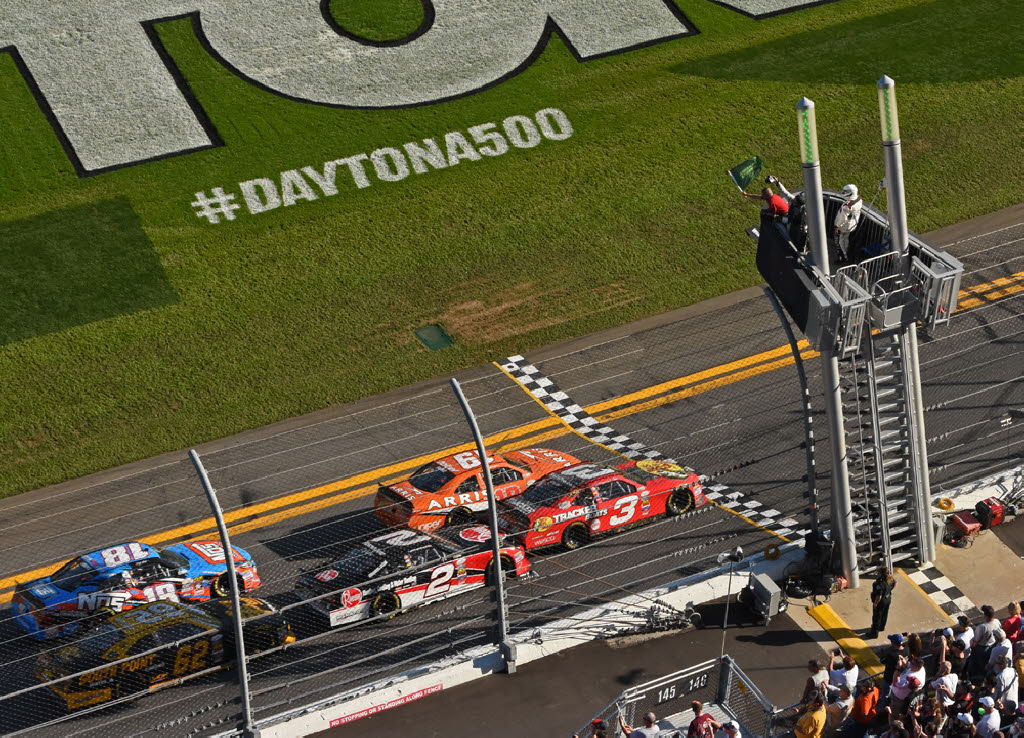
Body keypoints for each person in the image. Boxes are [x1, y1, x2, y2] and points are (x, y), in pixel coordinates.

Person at [834, 184, 863, 261]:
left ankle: (844, 255)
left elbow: (843, 218)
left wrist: (837, 226)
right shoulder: (859, 200)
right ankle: (846, 253)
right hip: (852, 225)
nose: (844, 193)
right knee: (846, 239)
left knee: (840, 241)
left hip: (843, 227)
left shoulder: (846, 206)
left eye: (846, 191)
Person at [973, 606, 1001, 674]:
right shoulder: (997, 622)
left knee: (981, 662)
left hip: (982, 648)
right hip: (993, 645)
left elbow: (976, 640)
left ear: (985, 615)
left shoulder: (982, 627)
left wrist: (973, 646)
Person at [870, 572, 896, 639]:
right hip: (888, 599)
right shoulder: (890, 579)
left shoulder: (879, 584)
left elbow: (879, 596)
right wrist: (888, 591)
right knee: (884, 614)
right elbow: (895, 584)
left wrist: (875, 604)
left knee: (877, 617)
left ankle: (874, 634)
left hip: (881, 602)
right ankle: (881, 627)